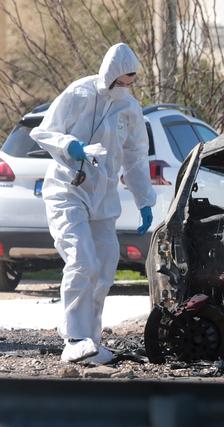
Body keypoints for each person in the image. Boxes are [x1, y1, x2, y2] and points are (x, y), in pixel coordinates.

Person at [31, 43, 156, 365]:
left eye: (133, 79)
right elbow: (44, 132)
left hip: (103, 197)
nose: (130, 84)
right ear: (113, 73)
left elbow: (135, 157)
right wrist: (71, 146)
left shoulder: (129, 108)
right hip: (66, 190)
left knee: (103, 267)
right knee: (81, 260)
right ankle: (73, 337)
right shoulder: (79, 93)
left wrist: (144, 199)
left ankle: (91, 342)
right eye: (126, 78)